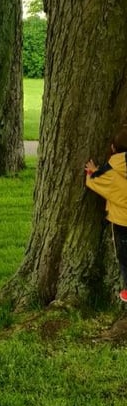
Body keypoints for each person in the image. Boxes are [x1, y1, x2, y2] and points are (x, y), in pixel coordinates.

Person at [85, 126, 127, 302]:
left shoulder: (110, 171)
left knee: (124, 255)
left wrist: (91, 171)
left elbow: (94, 182)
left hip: (122, 222)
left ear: (112, 148)